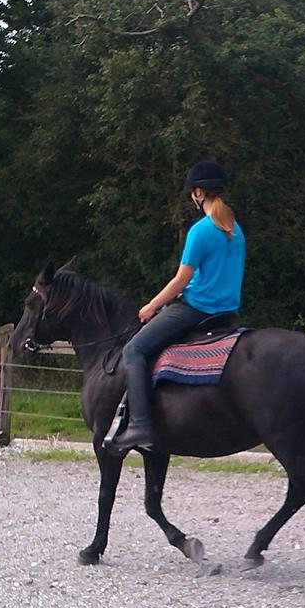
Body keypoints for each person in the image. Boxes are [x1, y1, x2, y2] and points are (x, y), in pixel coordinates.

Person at [104, 160, 246, 454]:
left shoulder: (201, 230)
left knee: (134, 350)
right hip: (225, 311)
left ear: (197, 193)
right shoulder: (234, 229)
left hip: (197, 307)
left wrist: (151, 306)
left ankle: (140, 425)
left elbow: (182, 280)